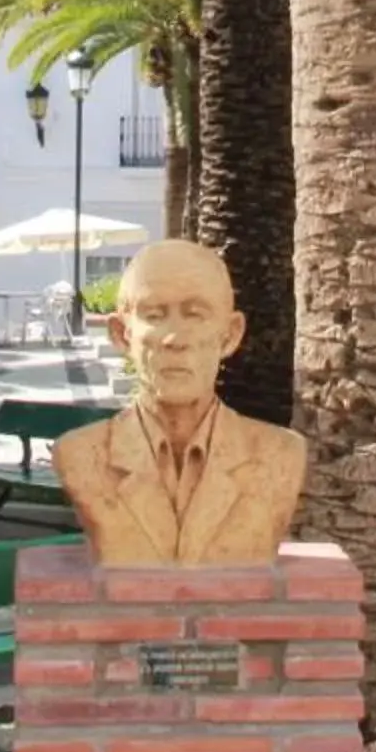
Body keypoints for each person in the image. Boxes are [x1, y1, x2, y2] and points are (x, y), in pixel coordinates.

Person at [52, 239, 307, 565]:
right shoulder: (79, 455)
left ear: (229, 335)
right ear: (121, 334)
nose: (175, 338)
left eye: (196, 315)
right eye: (154, 315)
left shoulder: (281, 454)